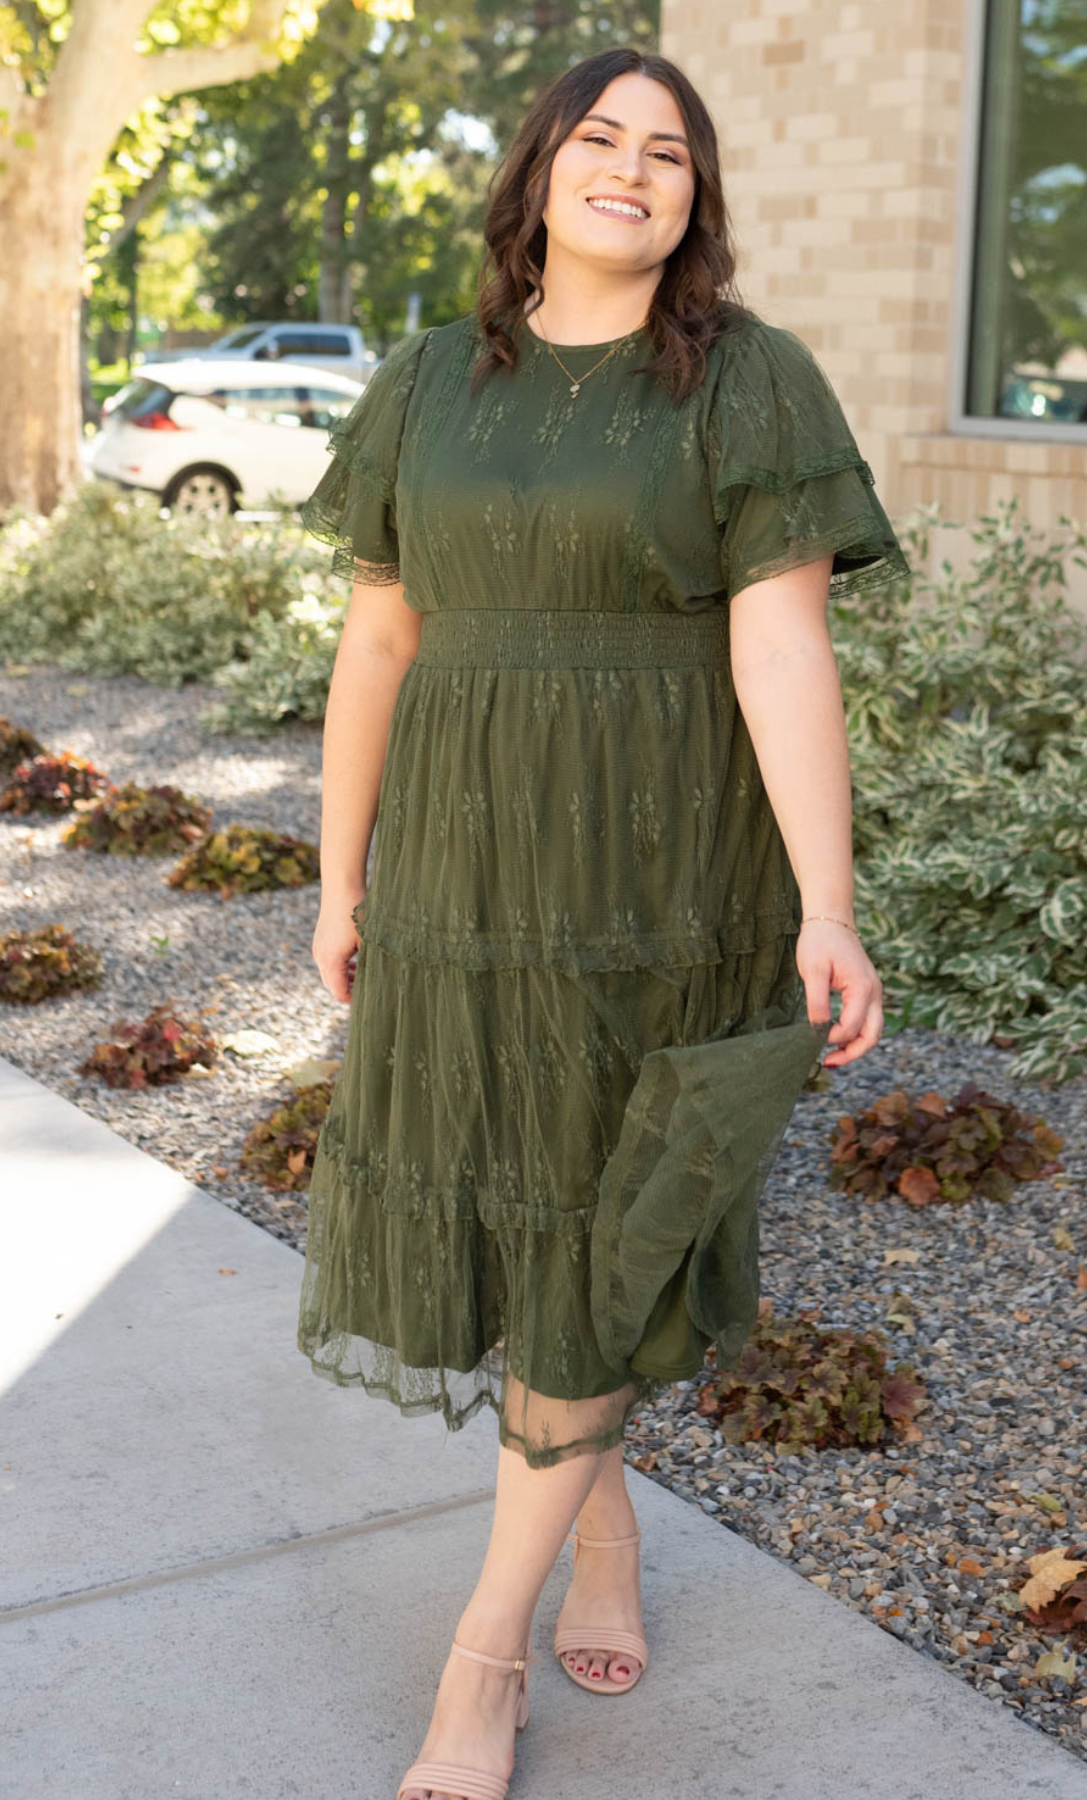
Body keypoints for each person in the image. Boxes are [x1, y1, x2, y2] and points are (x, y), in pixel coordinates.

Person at [298, 45, 910, 1800]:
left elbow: (781, 643)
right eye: (601, 139)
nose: (633, 170)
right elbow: (378, 646)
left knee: (604, 1236)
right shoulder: (427, 383)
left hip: (664, 881)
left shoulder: (743, 381)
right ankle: (609, 1539)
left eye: (669, 153)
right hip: (463, 884)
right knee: (526, 1224)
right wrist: (341, 881)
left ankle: (478, 1663)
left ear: (693, 201)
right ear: (540, 171)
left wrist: (825, 902)